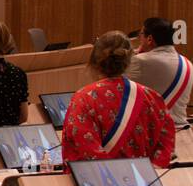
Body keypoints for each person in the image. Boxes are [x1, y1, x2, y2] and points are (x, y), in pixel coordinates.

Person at [62, 32, 175, 167]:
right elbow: (166, 144)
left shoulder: (83, 98)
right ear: (128, 60)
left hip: (102, 183)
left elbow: (83, 149)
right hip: (145, 181)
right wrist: (148, 173)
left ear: (93, 61)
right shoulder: (152, 97)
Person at [126, 17, 193, 130]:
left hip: (154, 132)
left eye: (141, 34)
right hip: (180, 127)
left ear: (150, 39)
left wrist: (132, 55)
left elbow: (118, 89)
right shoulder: (188, 63)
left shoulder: (140, 61)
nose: (139, 38)